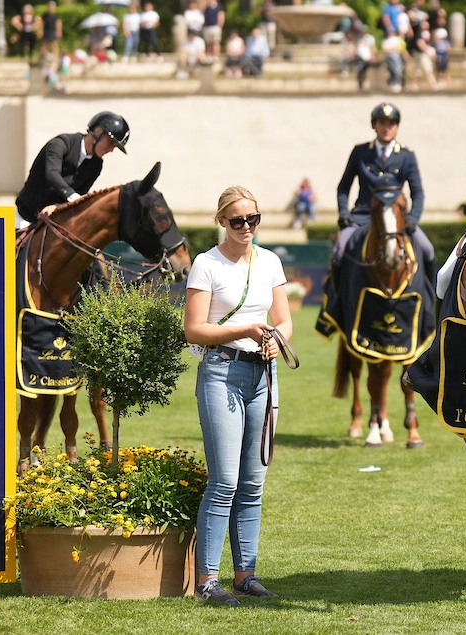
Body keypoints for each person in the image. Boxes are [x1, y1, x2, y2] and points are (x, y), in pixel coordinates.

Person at [183, 185, 293, 606]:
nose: (246, 227)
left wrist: (274, 340)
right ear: (221, 222)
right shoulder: (205, 264)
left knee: (253, 483)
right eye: (237, 221)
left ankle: (246, 574)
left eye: (253, 219)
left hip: (264, 374)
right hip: (221, 372)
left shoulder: (270, 261)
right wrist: (245, 330)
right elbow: (195, 330)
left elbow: (283, 320)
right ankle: (207, 580)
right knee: (224, 481)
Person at [334, 102, 434, 281]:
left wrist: (412, 219)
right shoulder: (360, 152)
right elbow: (344, 187)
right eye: (382, 123)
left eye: (391, 123)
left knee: (428, 250)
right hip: (363, 217)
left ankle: (428, 303)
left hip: (398, 220)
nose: (387, 128)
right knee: (338, 254)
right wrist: (343, 213)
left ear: (397, 126)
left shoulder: (406, 156)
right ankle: (336, 304)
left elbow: (417, 193)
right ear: (374, 125)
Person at [14, 111, 130, 230]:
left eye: (114, 146)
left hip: (53, 222)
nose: (111, 150)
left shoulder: (96, 165)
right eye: (111, 142)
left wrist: (57, 207)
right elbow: (52, 174)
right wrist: (73, 197)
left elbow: (81, 194)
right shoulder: (60, 144)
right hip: (25, 216)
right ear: (97, 132)